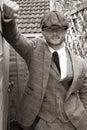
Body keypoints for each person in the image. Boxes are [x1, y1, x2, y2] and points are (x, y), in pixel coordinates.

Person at [2, 0, 87, 130]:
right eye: (49, 29)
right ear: (42, 31)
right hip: (42, 123)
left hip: (75, 122)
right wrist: (8, 18)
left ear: (66, 30)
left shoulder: (80, 62)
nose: (54, 33)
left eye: (59, 29)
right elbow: (14, 37)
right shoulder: (33, 49)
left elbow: (84, 91)